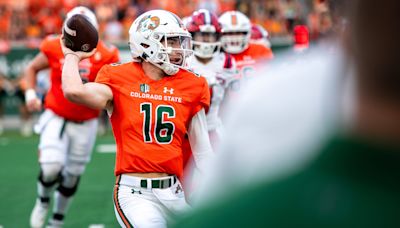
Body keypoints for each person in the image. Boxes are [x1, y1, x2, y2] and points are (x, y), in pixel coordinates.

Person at [171, 0, 400, 227]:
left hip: (218, 127)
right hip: (201, 126)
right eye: (202, 35)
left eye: (212, 36)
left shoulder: (263, 79)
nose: (211, 41)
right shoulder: (269, 85)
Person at [61, 9, 213, 227]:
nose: (178, 50)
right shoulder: (119, 77)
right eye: (170, 41)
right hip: (135, 193)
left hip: (174, 192)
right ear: (147, 43)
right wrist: (72, 56)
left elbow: (203, 153)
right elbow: (74, 92)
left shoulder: (193, 84)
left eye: (179, 41)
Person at [25, 6, 119, 227]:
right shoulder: (52, 45)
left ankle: (57, 219)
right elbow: (32, 68)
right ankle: (42, 201)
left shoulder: (107, 54)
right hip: (56, 115)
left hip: (86, 122)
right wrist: (30, 93)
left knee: (72, 176)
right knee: (50, 167)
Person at [218, 11, 273, 81]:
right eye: (230, 33)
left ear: (248, 33)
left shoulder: (261, 50)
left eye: (239, 33)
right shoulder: (215, 54)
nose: (234, 37)